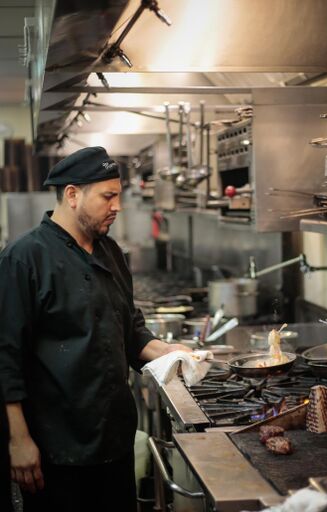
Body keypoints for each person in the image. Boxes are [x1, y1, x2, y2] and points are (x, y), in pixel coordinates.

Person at [0, 147, 190, 512]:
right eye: (108, 196)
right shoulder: (24, 258)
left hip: (114, 441)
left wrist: (168, 352)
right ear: (72, 194)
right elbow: (5, 356)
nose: (117, 205)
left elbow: (130, 331)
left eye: (117, 195)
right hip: (56, 450)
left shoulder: (110, 252)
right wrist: (18, 439)